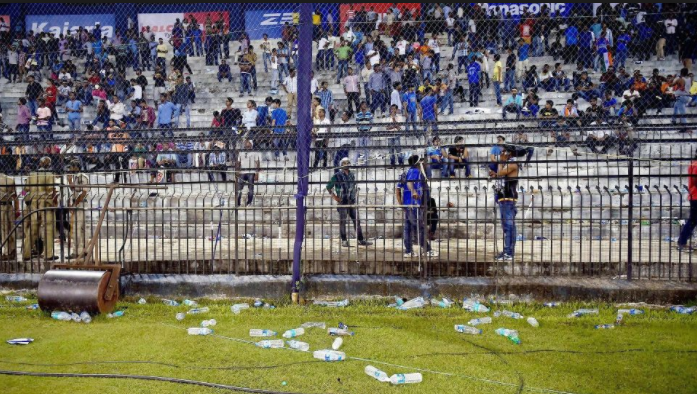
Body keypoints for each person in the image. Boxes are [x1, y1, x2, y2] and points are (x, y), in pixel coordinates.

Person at [396, 155, 438, 258]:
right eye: (422, 161)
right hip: (414, 204)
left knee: (408, 228)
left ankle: (408, 251)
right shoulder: (415, 171)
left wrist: (401, 204)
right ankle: (427, 250)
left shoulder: (404, 173)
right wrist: (414, 192)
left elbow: (397, 189)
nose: (424, 163)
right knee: (419, 227)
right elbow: (410, 183)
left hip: (408, 204)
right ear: (417, 163)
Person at [325, 158, 371, 248]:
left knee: (356, 221)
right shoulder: (337, 175)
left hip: (352, 201)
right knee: (343, 222)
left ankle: (360, 240)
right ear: (341, 165)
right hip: (342, 202)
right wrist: (335, 197)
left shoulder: (351, 175)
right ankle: (344, 241)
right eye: (344, 163)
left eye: (348, 163)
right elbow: (328, 187)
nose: (347, 164)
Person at [22, 157, 58, 262]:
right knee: (49, 228)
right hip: (45, 202)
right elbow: (52, 191)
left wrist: (24, 199)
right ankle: (48, 254)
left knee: (33, 229)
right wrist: (54, 202)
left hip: (33, 202)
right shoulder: (50, 175)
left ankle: (26, 253)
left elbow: (24, 190)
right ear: (49, 164)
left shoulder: (31, 175)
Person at [489, 146, 519, 262]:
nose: (501, 153)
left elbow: (500, 173)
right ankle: (508, 251)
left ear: (509, 153)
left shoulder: (513, 163)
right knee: (508, 227)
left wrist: (499, 164)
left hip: (508, 198)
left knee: (508, 227)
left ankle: (508, 253)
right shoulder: (507, 163)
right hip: (504, 197)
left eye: (504, 151)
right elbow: (499, 174)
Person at [66, 160, 89, 260]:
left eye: (71, 166)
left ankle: (76, 252)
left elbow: (83, 192)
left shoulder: (82, 177)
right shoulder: (76, 177)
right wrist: (70, 181)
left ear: (76, 167)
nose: (70, 169)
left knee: (77, 229)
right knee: (81, 229)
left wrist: (74, 204)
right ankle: (83, 251)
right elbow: (75, 190)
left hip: (80, 205)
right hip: (78, 204)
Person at [0, 173, 19, 261]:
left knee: (4, 229)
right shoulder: (11, 180)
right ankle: (12, 250)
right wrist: (17, 209)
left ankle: (7, 252)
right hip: (10, 206)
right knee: (10, 228)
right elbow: (17, 196)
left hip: (3, 207)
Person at [236, 139, 260, 207]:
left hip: (251, 172)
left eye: (248, 143)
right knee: (239, 188)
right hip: (243, 172)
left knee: (251, 189)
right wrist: (237, 171)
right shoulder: (241, 152)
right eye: (246, 143)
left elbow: (257, 163)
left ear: (251, 145)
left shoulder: (254, 153)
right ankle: (238, 203)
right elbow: (238, 162)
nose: (247, 144)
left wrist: (257, 173)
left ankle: (249, 203)